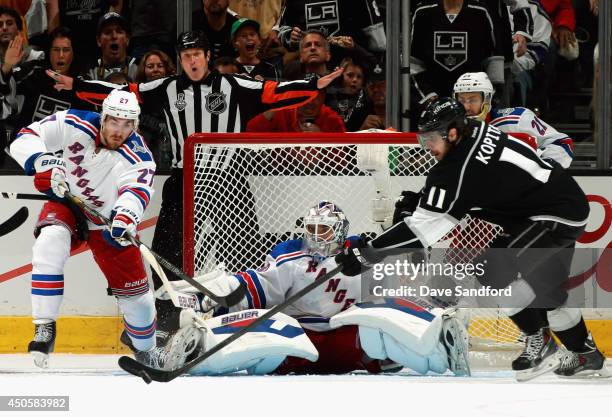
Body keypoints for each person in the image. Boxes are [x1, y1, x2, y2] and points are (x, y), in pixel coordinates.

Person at [48, 30, 344, 340]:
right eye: (186, 56)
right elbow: (121, 94)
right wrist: (78, 86)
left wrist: (313, 86)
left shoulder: (234, 85)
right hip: (183, 178)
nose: (192, 61)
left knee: (243, 250)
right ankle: (161, 321)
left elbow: (275, 92)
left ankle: (251, 315)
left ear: (208, 57)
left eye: (197, 55)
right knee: (168, 250)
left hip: (229, 177)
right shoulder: (166, 87)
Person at [335, 97, 607, 379]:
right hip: (561, 204)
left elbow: (423, 229)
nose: (425, 146)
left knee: (495, 270)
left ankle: (541, 341)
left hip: (553, 215)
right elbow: (465, 186)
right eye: (422, 137)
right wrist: (420, 199)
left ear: (452, 133)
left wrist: (369, 251)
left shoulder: (459, 166)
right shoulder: (473, 131)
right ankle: (587, 355)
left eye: (430, 138)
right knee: (549, 292)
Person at [152, 201, 471, 376]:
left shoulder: (362, 254)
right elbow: (259, 286)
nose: (316, 236)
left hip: (353, 344)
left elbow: (396, 291)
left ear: (341, 231)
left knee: (378, 321)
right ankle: (194, 349)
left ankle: (442, 347)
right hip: (297, 344)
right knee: (268, 330)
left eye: (324, 229)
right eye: (312, 229)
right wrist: (216, 293)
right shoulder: (290, 255)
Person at [8, 89, 178, 371]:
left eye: (127, 124)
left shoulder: (139, 156)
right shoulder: (75, 122)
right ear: (103, 117)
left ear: (135, 125)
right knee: (49, 241)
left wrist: (125, 217)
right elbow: (25, 138)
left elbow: (136, 191)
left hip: (108, 225)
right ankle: (44, 328)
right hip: (70, 207)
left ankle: (146, 350)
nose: (119, 130)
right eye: (113, 121)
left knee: (139, 300)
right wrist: (43, 161)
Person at [453, 72, 574, 168]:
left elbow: (562, 143)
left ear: (487, 99)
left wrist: (542, 169)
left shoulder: (516, 119)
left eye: (473, 100)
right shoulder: (449, 128)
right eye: (461, 100)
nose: (466, 107)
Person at [409, 0, 503, 107]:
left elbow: (493, 60)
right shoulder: (423, 12)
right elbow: (414, 63)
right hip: (433, 102)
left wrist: (485, 97)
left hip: (472, 102)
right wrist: (428, 96)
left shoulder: (481, 12)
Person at [0, 27, 94, 132]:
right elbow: (5, 101)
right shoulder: (32, 71)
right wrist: (7, 66)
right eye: (56, 50)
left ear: (73, 54)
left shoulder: (81, 84)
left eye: (66, 50)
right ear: (49, 52)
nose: (61, 55)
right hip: (24, 143)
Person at [246, 89, 345, 133]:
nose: (309, 102)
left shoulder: (333, 120)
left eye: (315, 96)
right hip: (281, 172)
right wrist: (274, 108)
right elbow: (251, 129)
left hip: (322, 173)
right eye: (305, 96)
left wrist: (322, 140)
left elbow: (344, 161)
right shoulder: (283, 111)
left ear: (323, 97)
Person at [87, 12, 138, 81]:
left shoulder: (141, 68)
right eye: (108, 32)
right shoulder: (89, 72)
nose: (114, 36)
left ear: (127, 39)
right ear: (99, 41)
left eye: (119, 31)